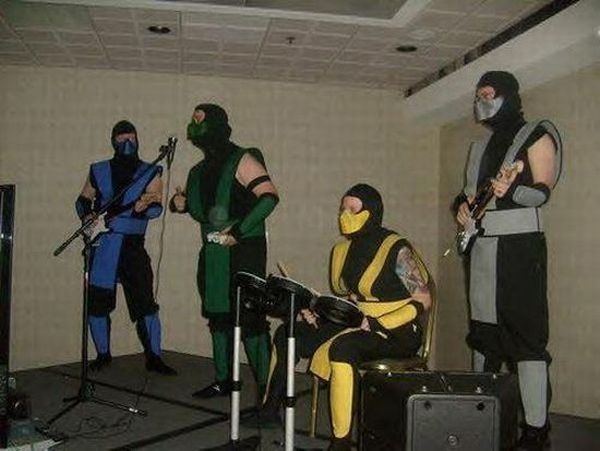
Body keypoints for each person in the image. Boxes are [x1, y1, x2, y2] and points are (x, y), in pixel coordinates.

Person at [256, 184, 432, 451]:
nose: (344, 215)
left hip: (398, 330)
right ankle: (270, 409)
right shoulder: (343, 250)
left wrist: (378, 323)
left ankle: (341, 443)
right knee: (288, 333)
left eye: (352, 209)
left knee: (343, 348)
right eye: (342, 209)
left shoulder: (396, 248)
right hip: (357, 323)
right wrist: (318, 309)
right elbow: (350, 298)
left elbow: (423, 300)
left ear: (372, 212)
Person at [454, 71, 562, 450]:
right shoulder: (480, 147)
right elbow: (469, 196)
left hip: (520, 249)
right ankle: (481, 419)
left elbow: (542, 192)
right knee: (484, 336)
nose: (481, 102)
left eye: (488, 94)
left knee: (526, 339)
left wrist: (512, 189)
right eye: (478, 96)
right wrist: (461, 208)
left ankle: (535, 430)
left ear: (508, 96)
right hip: (482, 249)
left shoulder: (537, 133)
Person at [170, 103, 279, 398]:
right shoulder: (198, 171)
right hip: (213, 252)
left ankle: (269, 390)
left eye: (200, 119)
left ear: (217, 124)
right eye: (193, 119)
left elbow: (269, 197)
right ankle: (224, 380)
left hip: (244, 249)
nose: (195, 125)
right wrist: (179, 204)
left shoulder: (243, 158)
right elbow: (201, 207)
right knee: (218, 317)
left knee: (251, 319)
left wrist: (238, 232)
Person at [75, 120, 176, 375]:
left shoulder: (149, 171)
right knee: (97, 303)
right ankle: (103, 354)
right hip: (104, 246)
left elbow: (155, 207)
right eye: (121, 139)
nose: (127, 143)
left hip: (132, 248)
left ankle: (154, 357)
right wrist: (87, 216)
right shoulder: (99, 170)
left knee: (145, 303)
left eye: (131, 138)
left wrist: (144, 206)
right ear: (113, 141)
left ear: (138, 139)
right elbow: (83, 199)